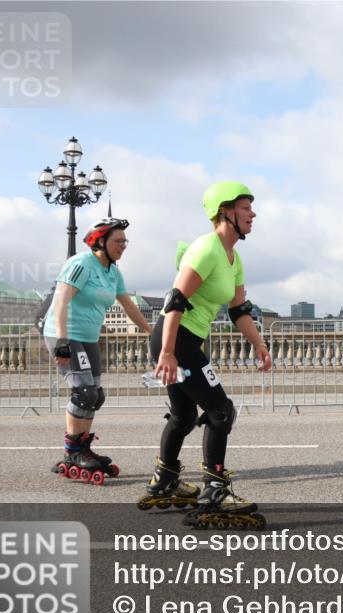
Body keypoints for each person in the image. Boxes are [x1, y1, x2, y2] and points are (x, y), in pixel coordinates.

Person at [140, 181, 271, 529]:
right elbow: (174, 301)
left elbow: (239, 309)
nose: (253, 213)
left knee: (183, 415)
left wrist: (259, 344)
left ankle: (165, 479)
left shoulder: (233, 257)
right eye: (246, 208)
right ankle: (215, 489)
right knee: (220, 410)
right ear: (225, 211)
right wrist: (167, 353)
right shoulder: (206, 248)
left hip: (185, 343)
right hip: (176, 341)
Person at [43, 217, 152, 484]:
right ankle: (72, 452)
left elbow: (129, 307)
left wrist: (154, 334)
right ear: (100, 242)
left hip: (90, 337)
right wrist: (63, 341)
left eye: (125, 241)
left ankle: (82, 448)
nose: (123, 246)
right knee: (83, 392)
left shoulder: (113, 272)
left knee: (96, 396)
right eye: (118, 241)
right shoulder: (82, 264)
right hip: (65, 334)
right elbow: (61, 300)